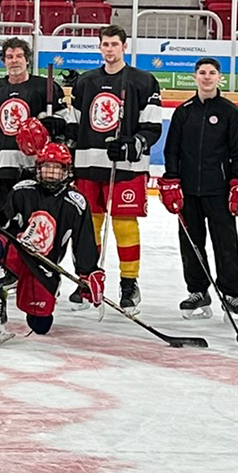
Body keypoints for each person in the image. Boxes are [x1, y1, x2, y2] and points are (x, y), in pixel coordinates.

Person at [59, 24, 163, 314]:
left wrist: (134, 143)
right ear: (100, 47)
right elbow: (74, 123)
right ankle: (87, 280)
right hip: (88, 167)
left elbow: (152, 126)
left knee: (124, 224)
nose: (110, 49)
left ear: (124, 47)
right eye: (105, 44)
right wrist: (63, 143)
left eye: (115, 44)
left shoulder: (144, 81)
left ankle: (129, 284)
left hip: (126, 168)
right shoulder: (86, 82)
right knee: (87, 227)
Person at [0, 142, 104, 334]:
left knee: (40, 325)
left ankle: (26, 289)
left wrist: (88, 274)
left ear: (66, 171)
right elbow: (2, 221)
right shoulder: (23, 189)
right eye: (46, 167)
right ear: (38, 168)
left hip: (43, 265)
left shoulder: (76, 203)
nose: (50, 173)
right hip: (17, 253)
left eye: (56, 168)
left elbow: (84, 242)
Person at [161, 57, 238, 321]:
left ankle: (232, 294)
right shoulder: (184, 111)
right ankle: (198, 291)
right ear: (195, 77)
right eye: (202, 73)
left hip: (219, 191)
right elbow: (172, 150)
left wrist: (237, 182)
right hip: (188, 191)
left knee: (225, 243)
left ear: (219, 78)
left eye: (212, 73)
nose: (207, 77)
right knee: (191, 243)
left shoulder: (230, 112)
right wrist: (172, 180)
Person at [0, 37, 66, 206]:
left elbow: (65, 128)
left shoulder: (46, 88)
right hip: (0, 169)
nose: (14, 61)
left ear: (27, 59)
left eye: (19, 56)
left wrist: (56, 126)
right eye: (10, 57)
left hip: (36, 169)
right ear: (3, 61)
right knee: (0, 224)